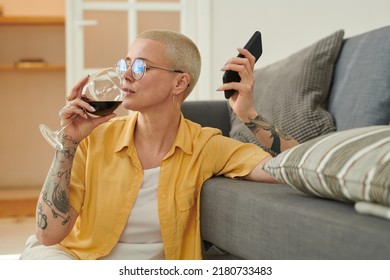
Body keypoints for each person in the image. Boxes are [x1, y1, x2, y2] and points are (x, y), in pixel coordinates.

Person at [20, 29, 298, 260]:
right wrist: (67, 143)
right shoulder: (95, 137)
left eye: (140, 66)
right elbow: (48, 235)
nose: (126, 75)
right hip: (76, 260)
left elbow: (295, 166)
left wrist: (248, 114)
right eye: (124, 64)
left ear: (179, 83)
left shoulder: (204, 145)